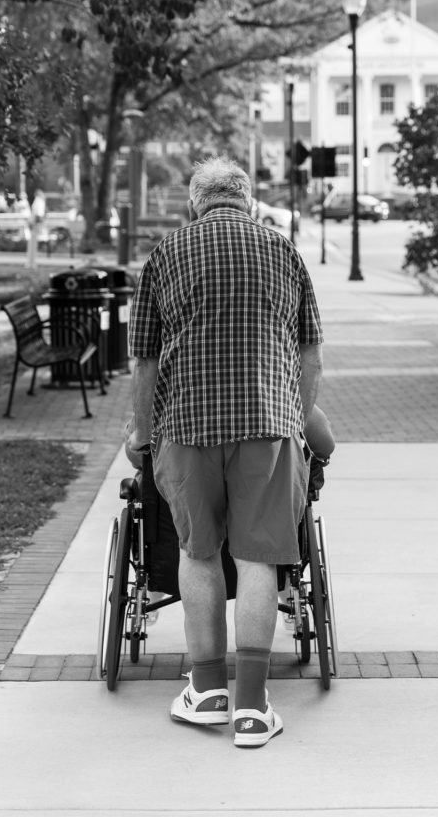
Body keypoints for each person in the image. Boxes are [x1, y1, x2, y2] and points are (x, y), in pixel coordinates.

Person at [127, 156, 324, 749]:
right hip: (268, 424)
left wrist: (143, 436)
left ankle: (208, 689)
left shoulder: (166, 253)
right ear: (248, 200)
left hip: (186, 425)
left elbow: (144, 361)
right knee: (262, 557)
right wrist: (294, 415)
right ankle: (252, 707)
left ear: (195, 202)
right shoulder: (282, 249)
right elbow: (310, 351)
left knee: (199, 550)